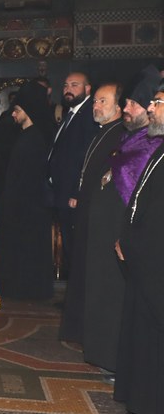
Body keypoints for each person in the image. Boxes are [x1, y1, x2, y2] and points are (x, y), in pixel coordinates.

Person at [83, 68, 161, 372]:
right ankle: (105, 356)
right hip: (106, 237)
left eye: (134, 104)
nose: (126, 109)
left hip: (126, 236)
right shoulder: (132, 140)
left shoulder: (152, 145)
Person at [60, 82, 126, 345]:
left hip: (103, 220)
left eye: (102, 101)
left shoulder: (120, 134)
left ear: (119, 106)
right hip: (87, 214)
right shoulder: (102, 132)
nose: (95, 107)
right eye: (95, 101)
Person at [114, 78, 164, 414]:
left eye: (158, 102)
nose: (150, 107)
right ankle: (143, 399)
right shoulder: (158, 148)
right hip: (144, 257)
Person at [0, 80, 54, 300]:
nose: (13, 114)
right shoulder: (26, 135)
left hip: (27, 207)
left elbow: (28, 177)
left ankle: (25, 290)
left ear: (28, 112)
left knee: (27, 251)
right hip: (22, 205)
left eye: (17, 110)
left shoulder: (34, 138)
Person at [48, 72, 99, 275]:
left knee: (77, 246)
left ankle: (79, 297)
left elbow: (86, 155)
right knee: (70, 244)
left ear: (88, 89)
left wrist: (77, 192)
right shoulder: (71, 113)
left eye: (75, 85)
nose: (68, 89)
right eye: (66, 85)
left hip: (73, 193)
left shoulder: (88, 114)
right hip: (62, 189)